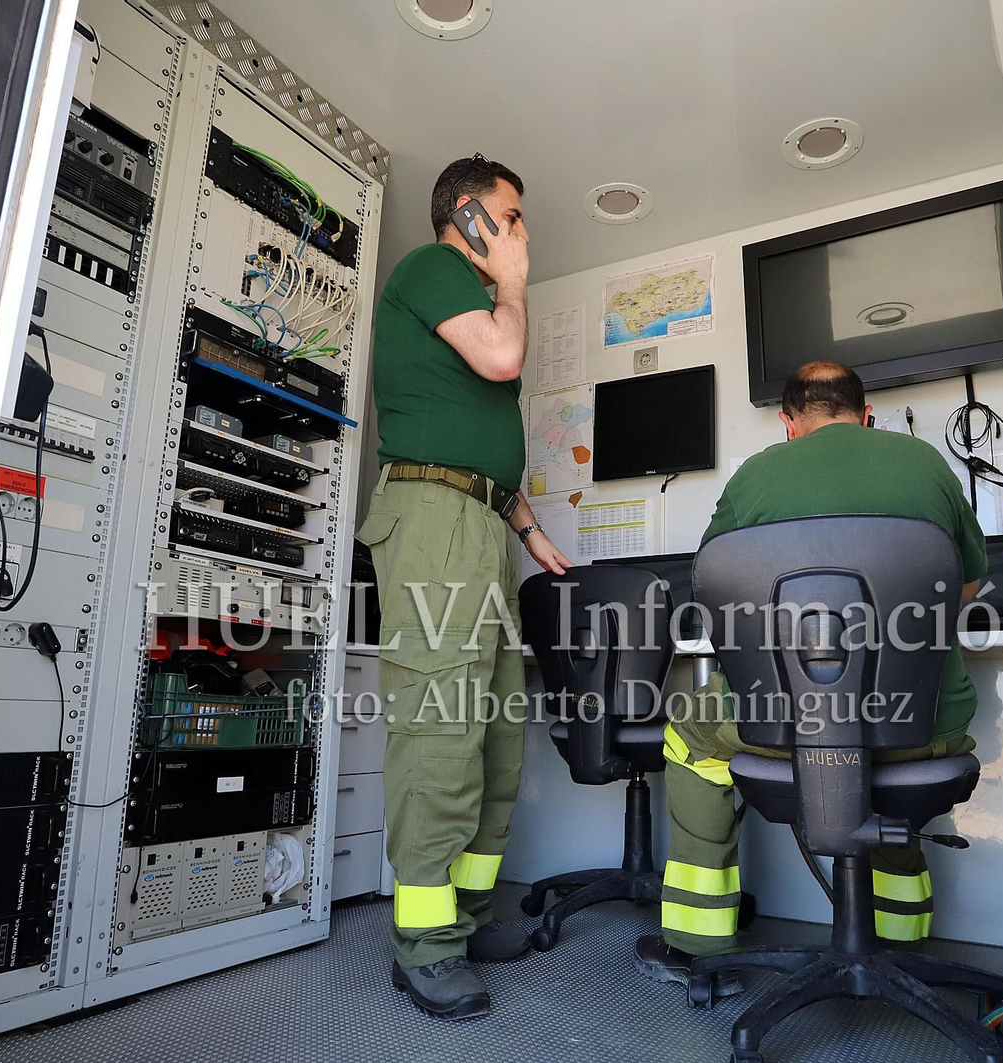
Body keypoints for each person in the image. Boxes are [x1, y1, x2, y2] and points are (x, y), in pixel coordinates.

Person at [635, 360, 986, 992]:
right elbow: (963, 585)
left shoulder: (755, 474)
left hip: (781, 726)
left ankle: (697, 942)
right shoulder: (926, 463)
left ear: (789, 424)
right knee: (887, 731)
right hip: (923, 723)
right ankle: (902, 935)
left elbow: (715, 588)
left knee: (688, 731)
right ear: (867, 414)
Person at [356, 155, 571, 1020]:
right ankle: (425, 944)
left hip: (479, 523)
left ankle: (468, 915)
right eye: (512, 218)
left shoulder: (470, 302)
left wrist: (527, 531)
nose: (522, 235)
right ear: (472, 218)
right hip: (433, 519)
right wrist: (514, 285)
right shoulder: (434, 268)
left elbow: (480, 443)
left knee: (495, 739)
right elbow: (502, 354)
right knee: (442, 735)